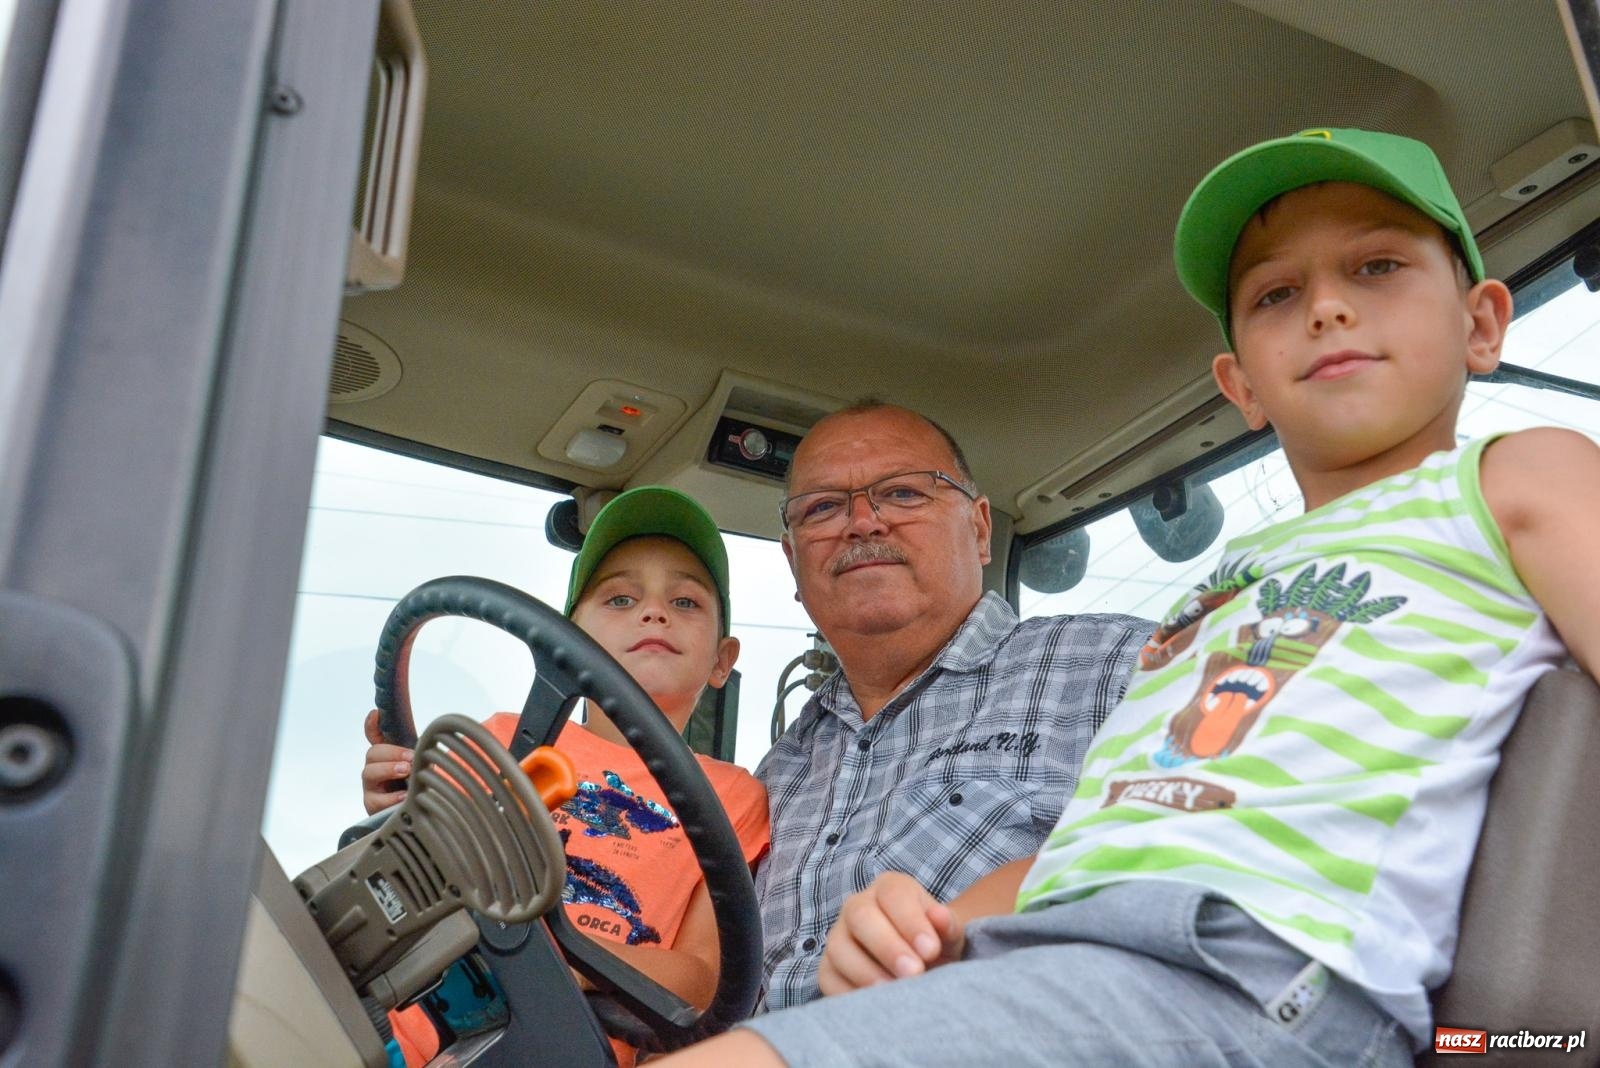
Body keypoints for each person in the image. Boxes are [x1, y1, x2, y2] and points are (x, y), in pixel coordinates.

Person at [656, 127, 1600, 1067]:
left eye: (1378, 266)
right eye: (1276, 294)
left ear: (1482, 323)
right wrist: (936, 932)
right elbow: (1106, 832)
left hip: (1245, 971)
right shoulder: (1219, 600)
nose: (1327, 308)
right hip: (1072, 961)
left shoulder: (1513, 477)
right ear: (1241, 385)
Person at [754, 401, 1152, 1011]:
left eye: (903, 493)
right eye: (823, 508)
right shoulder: (777, 772)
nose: (863, 523)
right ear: (792, 561)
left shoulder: (1122, 665)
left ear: (981, 529)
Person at [359, 486, 770, 1067]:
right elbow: (419, 878)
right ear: (568, 639)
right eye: (620, 598)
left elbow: (701, 982)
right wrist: (395, 802)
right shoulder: (504, 738)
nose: (654, 612)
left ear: (722, 660)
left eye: (685, 602)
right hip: (403, 1031)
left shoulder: (731, 797)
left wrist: (553, 958)